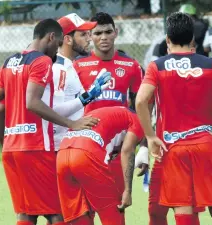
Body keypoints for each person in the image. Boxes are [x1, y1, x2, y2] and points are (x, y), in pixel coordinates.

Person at [0, 19, 98, 225]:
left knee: (26, 214)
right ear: (51, 37)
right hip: (37, 146)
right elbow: (32, 102)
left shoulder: (9, 62)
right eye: (57, 46)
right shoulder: (42, 61)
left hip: (11, 150)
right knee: (57, 213)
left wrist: (8, 143)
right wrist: (71, 124)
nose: (56, 53)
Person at [136, 12, 212, 225]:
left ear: (167, 39)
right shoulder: (211, 64)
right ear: (192, 39)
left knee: (182, 208)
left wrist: (150, 136)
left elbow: (140, 101)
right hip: (205, 144)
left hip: (173, 147)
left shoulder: (158, 66)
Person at [73, 11, 144, 223]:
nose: (103, 37)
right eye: (97, 33)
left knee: (115, 212)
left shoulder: (131, 66)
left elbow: (142, 107)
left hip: (116, 153)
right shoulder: (77, 67)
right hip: (87, 150)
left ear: (116, 33)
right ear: (90, 36)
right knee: (85, 213)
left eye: (108, 32)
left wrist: (144, 145)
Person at [57, 106, 143, 225]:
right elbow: (127, 150)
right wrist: (127, 191)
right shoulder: (138, 120)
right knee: (112, 213)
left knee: (80, 216)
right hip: (86, 152)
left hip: (62, 153)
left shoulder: (111, 113)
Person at [53, 13, 112, 150]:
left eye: (88, 34)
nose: (89, 38)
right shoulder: (58, 68)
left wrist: (89, 93)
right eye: (83, 35)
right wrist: (89, 96)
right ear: (68, 39)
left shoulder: (68, 65)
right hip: (58, 147)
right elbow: (53, 112)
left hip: (68, 145)